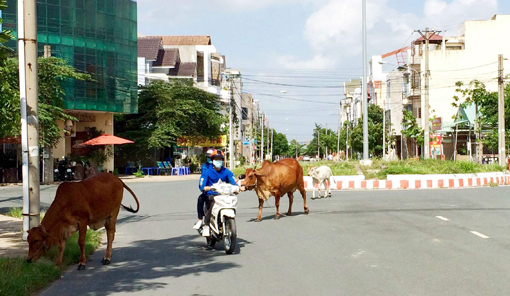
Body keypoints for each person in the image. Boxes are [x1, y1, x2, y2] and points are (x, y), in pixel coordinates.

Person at [199, 149, 243, 237]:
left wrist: (238, 187)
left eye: (220, 159)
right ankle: (207, 225)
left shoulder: (226, 171)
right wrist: (205, 187)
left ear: (222, 160)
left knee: (232, 200)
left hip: (224, 194)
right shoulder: (207, 172)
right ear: (212, 160)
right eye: (216, 159)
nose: (218, 161)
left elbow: (233, 181)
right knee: (210, 201)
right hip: (211, 193)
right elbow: (201, 183)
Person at [193, 149, 215, 230]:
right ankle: (201, 220)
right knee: (201, 198)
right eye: (208, 157)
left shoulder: (223, 169)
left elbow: (230, 179)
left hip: (221, 192)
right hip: (209, 191)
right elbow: (203, 180)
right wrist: (204, 187)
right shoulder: (205, 167)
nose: (210, 159)